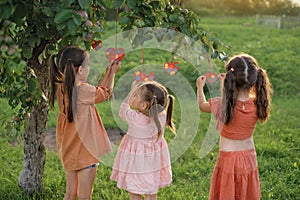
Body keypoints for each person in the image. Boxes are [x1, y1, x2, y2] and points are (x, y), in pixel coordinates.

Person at [196, 53, 272, 200]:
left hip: (228, 160)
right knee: (245, 193)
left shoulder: (222, 105)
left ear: (231, 79)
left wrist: (200, 87)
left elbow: (202, 105)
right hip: (249, 157)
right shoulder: (258, 104)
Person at [49, 46, 120, 200]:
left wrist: (108, 73)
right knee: (84, 197)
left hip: (69, 150)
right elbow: (106, 93)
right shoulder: (83, 91)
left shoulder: (62, 87)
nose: (89, 68)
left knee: (70, 195)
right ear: (80, 70)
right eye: (88, 66)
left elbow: (99, 90)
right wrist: (113, 74)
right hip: (85, 151)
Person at [110, 81, 176, 200]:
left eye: (135, 96)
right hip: (153, 162)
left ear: (144, 106)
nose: (133, 97)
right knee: (151, 192)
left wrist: (131, 91)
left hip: (137, 162)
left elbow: (123, 109)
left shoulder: (135, 118)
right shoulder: (161, 117)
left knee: (135, 192)